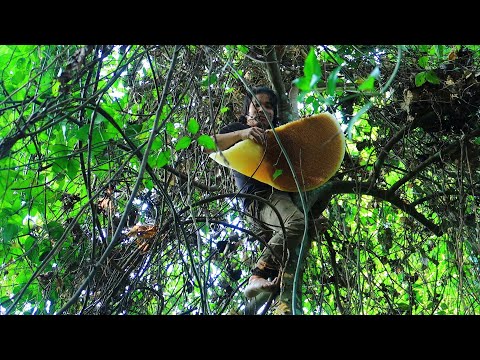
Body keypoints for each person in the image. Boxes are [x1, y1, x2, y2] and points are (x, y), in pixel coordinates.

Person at [210, 86, 307, 300]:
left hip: (282, 199)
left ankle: (269, 284)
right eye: (257, 104)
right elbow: (206, 146)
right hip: (261, 199)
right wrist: (242, 133)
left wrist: (292, 96)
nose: (263, 109)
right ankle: (256, 276)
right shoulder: (239, 128)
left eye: (269, 106)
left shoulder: (277, 137)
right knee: (297, 223)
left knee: (300, 226)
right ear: (247, 111)